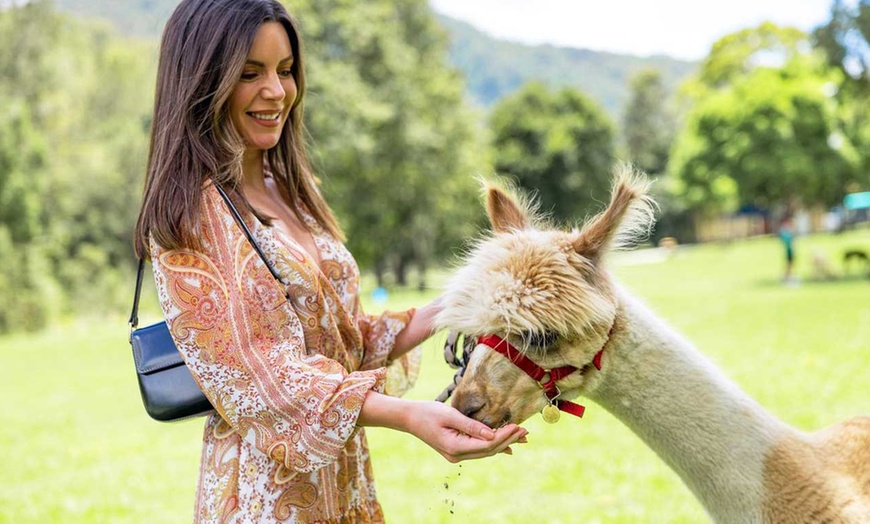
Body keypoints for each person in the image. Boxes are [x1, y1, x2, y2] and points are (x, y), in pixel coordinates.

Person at [133, 1, 527, 522]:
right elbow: (265, 381)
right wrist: (410, 415)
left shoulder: (289, 189)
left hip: (344, 482)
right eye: (250, 74)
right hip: (265, 499)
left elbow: (345, 341)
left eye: (286, 69)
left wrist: (464, 301)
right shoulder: (194, 214)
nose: (276, 91)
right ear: (202, 80)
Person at [778, 216, 797, 284]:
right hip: (789, 251)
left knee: (790, 264)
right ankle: (786, 277)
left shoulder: (787, 231)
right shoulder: (785, 232)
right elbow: (788, 242)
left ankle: (788, 276)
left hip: (790, 251)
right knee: (789, 264)